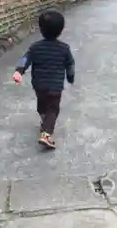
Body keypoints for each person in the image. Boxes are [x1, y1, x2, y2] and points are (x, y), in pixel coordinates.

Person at [13, 10, 75, 149]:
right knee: (53, 109)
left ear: (40, 29)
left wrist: (19, 71)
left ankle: (44, 120)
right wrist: (70, 77)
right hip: (55, 87)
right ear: (61, 30)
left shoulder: (35, 48)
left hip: (39, 86)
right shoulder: (64, 49)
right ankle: (46, 134)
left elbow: (25, 58)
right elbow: (70, 64)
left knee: (42, 106)